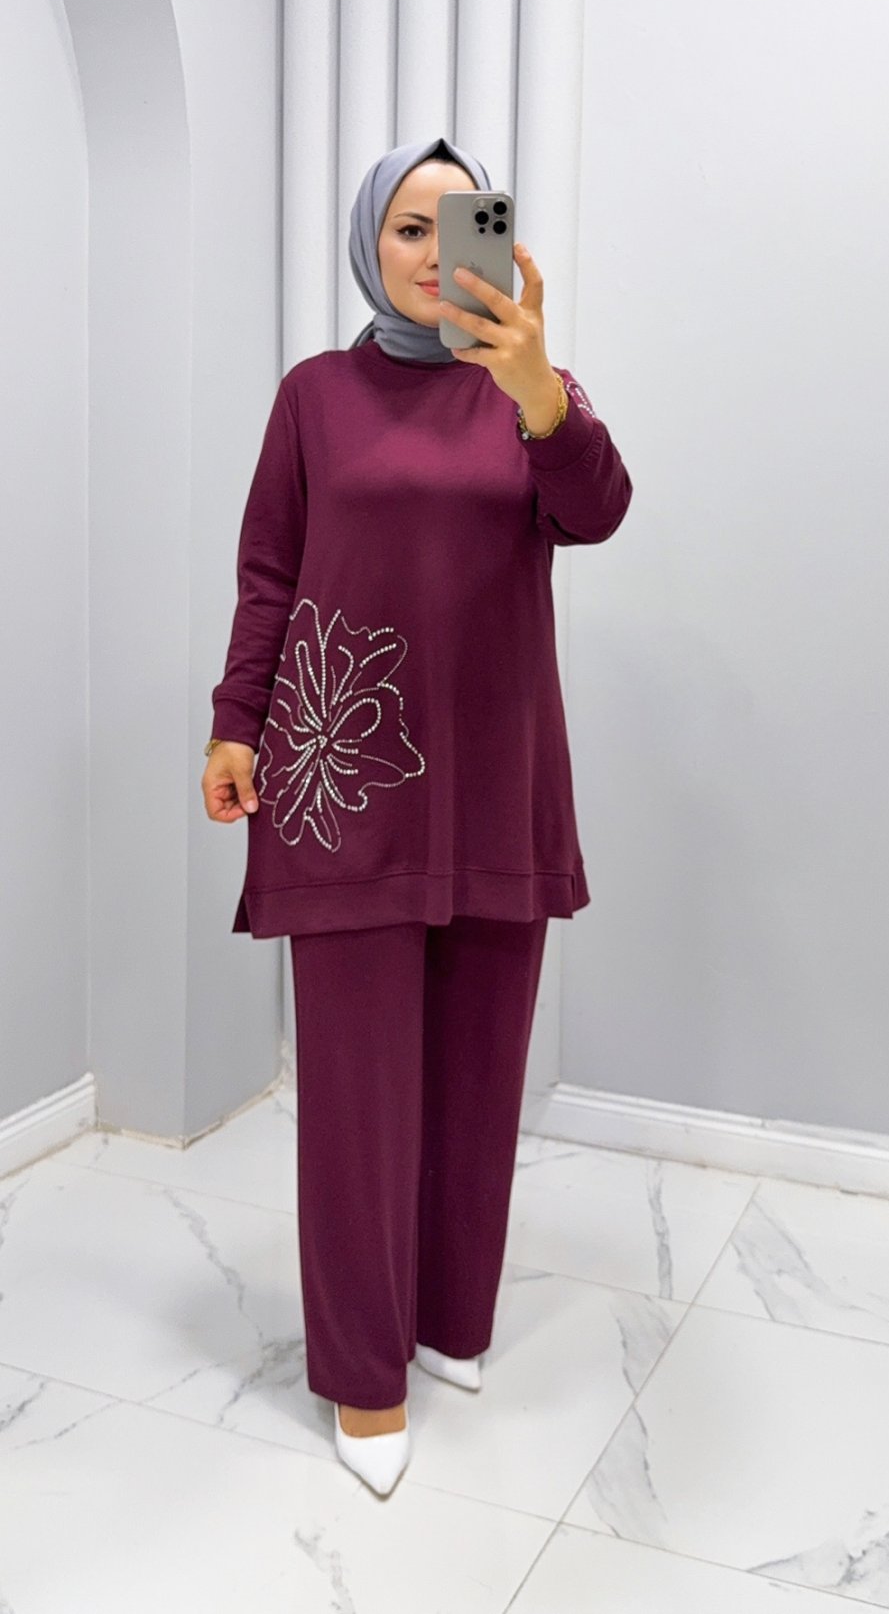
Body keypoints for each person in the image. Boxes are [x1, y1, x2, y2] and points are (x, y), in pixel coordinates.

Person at [200, 135, 633, 1495]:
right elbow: (269, 571)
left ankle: (450, 1320)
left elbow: (599, 512)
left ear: (498, 243)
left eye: (462, 225)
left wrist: (539, 392)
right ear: (368, 246)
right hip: (343, 780)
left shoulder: (532, 390)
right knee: (357, 1092)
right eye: (408, 227)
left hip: (497, 774)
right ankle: (363, 1373)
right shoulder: (316, 397)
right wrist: (234, 720)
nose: (437, 253)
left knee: (478, 1072)